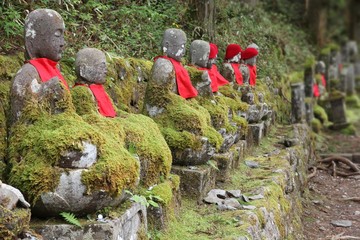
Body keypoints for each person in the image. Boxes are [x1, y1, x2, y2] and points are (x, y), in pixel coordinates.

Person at [11, 9, 68, 123]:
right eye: (57, 35)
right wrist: (46, 90)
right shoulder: (27, 73)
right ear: (35, 38)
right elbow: (21, 122)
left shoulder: (56, 70)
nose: (63, 43)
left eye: (63, 35)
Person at [153, 28, 198, 99]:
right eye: (181, 47)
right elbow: (160, 98)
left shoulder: (178, 66)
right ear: (167, 46)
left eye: (185, 47)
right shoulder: (163, 65)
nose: (184, 52)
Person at [73, 48, 116, 117]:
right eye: (101, 66)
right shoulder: (81, 92)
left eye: (105, 67)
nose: (105, 71)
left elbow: (115, 111)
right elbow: (90, 117)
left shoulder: (100, 90)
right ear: (83, 70)